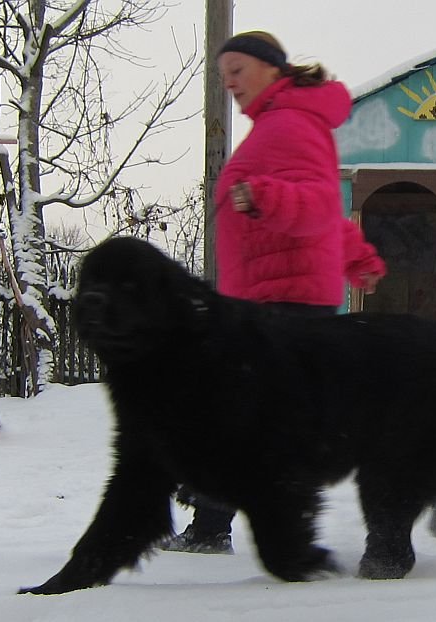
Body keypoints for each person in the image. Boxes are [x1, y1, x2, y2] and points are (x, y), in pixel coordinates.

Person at [160, 30, 386, 554]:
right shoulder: (282, 123)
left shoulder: (286, 123)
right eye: (223, 75)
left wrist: (261, 196)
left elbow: (314, 203)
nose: (230, 83)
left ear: (270, 69)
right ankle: (214, 523)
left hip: (284, 301)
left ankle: (418, 457)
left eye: (237, 69)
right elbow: (326, 209)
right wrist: (359, 259)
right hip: (271, 296)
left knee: (242, 413)